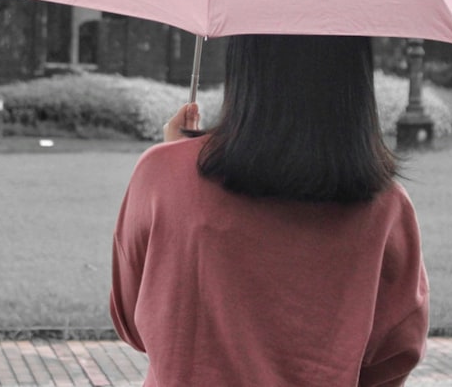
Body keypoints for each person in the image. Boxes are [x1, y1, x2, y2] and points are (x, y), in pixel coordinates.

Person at [110, 34, 429, 386]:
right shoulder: (387, 206)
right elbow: (395, 355)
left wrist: (175, 170)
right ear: (354, 74)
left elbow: (132, 323)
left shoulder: (160, 174)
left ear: (244, 65)